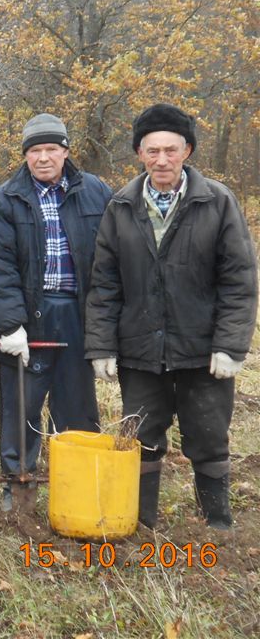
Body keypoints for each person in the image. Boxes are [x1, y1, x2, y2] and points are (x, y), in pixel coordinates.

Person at [85, 104, 257, 530]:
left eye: (171, 150)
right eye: (152, 151)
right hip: (140, 351)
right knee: (142, 439)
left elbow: (239, 278)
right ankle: (141, 523)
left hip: (203, 351)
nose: (162, 160)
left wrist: (230, 345)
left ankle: (216, 524)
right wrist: (103, 345)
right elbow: (105, 283)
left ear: (188, 152)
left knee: (208, 437)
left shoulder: (217, 203)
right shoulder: (121, 206)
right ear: (139, 154)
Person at [0, 114, 111, 511]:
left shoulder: (96, 193)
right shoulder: (6, 200)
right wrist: (10, 325)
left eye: (51, 149)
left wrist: (107, 332)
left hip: (77, 312)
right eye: (34, 150)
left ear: (66, 151)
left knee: (77, 404)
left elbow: (110, 264)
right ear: (25, 155)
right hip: (29, 314)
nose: (42, 157)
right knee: (21, 405)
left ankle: (77, 488)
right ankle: (18, 487)